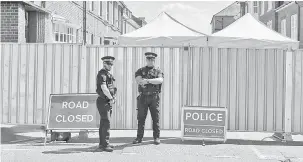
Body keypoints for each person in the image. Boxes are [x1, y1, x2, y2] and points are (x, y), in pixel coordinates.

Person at [133, 52, 164, 145]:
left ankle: (156, 137)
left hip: (154, 97)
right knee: (141, 118)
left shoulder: (158, 71)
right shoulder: (140, 70)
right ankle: (139, 138)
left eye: (152, 59)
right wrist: (151, 82)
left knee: (156, 118)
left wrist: (147, 80)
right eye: (149, 59)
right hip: (143, 97)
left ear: (154, 60)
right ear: (146, 60)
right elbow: (139, 81)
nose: (150, 61)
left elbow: (160, 80)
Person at [96, 56, 117, 152]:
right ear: (104, 64)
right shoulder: (102, 74)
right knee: (106, 122)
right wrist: (111, 98)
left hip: (107, 101)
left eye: (111, 64)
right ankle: (105, 145)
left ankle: (103, 143)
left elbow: (111, 87)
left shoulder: (108, 74)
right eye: (109, 64)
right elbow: (104, 88)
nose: (110, 66)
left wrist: (113, 97)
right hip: (103, 101)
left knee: (104, 122)